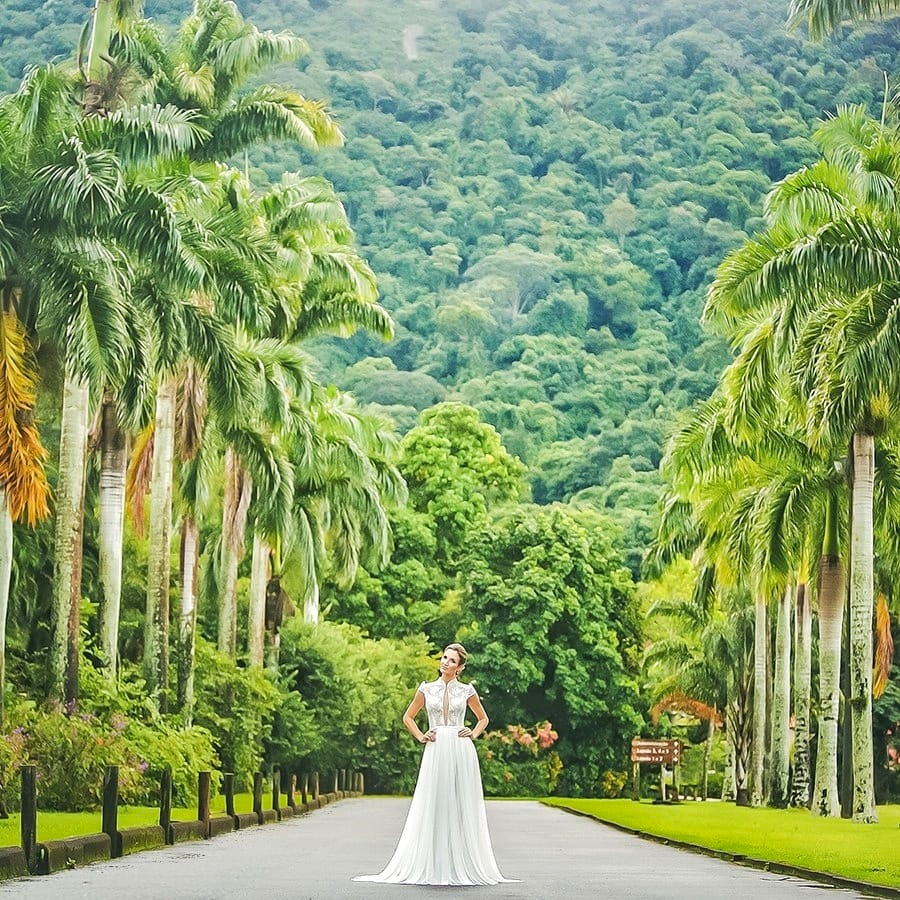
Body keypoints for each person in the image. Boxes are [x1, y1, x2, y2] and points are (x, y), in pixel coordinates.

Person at [354, 643, 513, 886]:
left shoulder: (467, 690)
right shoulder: (426, 689)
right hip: (436, 748)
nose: (445, 663)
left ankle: (460, 861)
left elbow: (483, 718)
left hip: (460, 749)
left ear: (460, 667)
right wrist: (420, 736)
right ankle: (433, 861)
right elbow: (408, 717)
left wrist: (473, 734)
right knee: (435, 803)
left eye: (451, 661)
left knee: (459, 805)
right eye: (444, 658)